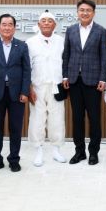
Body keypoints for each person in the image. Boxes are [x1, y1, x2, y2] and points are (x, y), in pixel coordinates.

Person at [62, 0, 106, 165]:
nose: (85, 13)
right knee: (77, 118)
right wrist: (65, 76)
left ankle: (94, 152)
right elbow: (66, 54)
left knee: (94, 118)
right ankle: (79, 151)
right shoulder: (71, 30)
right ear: (77, 12)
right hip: (74, 80)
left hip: (93, 81)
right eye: (81, 10)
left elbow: (104, 57)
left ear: (94, 13)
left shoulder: (101, 31)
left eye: (88, 10)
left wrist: (103, 78)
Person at [0, 14, 31, 174]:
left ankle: (14, 160)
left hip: (17, 93)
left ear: (14, 27)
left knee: (15, 128)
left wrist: (25, 91)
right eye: (4, 24)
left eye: (10, 24)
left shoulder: (22, 46)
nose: (7, 27)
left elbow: (27, 70)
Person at [26, 10, 67, 166]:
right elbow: (27, 66)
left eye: (50, 21)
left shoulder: (61, 41)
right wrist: (29, 87)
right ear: (38, 24)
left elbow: (66, 62)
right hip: (37, 86)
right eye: (44, 21)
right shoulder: (30, 42)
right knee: (37, 118)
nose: (47, 23)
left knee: (57, 119)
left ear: (55, 25)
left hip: (56, 86)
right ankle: (38, 150)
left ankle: (56, 149)